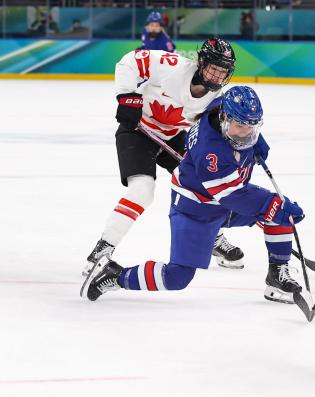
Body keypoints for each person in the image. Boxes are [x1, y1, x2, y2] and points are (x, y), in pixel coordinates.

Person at [81, 86, 305, 304]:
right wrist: (272, 206)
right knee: (177, 277)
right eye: (240, 127)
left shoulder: (220, 108)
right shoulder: (212, 154)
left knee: (276, 210)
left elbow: (235, 188)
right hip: (195, 209)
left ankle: (277, 275)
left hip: (222, 200)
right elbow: (233, 196)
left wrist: (257, 143)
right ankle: (115, 276)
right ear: (225, 118)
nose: (246, 133)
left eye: (252, 127)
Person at [84, 38, 248, 279]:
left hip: (172, 137)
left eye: (223, 71)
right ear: (201, 63)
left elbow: (216, 133)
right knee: (142, 191)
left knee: (206, 186)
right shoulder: (172, 66)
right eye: (213, 68)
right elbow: (129, 62)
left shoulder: (216, 101)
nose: (216, 76)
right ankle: (102, 250)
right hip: (137, 131)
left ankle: (212, 237)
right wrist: (127, 96)